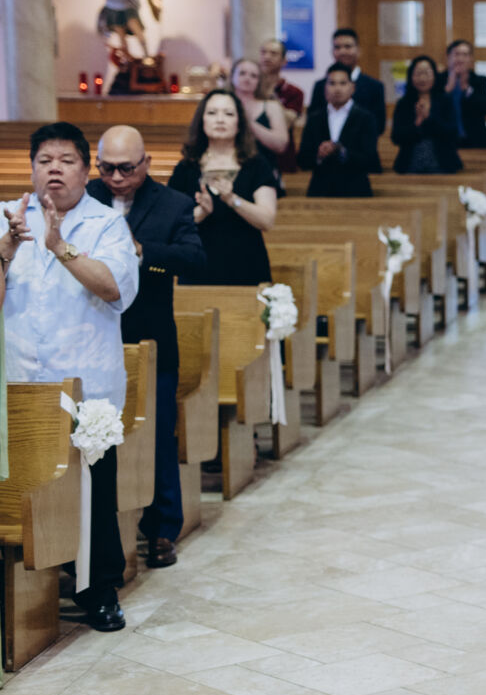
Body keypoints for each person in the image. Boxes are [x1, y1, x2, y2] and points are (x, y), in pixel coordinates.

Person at [5, 124, 140, 631]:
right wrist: (5, 253)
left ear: (86, 171)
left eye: (66, 160)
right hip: (19, 377)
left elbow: (114, 288)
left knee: (92, 495)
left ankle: (98, 590)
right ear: (32, 169)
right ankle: (23, 584)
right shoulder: (7, 217)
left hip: (86, 381)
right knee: (21, 488)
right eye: (45, 160)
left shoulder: (107, 224)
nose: (54, 169)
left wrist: (58, 245)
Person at [87, 126, 203, 569]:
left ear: (146, 163)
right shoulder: (85, 198)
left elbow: (194, 259)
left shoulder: (173, 204)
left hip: (148, 335)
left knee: (156, 434)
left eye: (126, 168)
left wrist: (142, 252)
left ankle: (161, 528)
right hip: (93, 335)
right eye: (107, 168)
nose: (116, 178)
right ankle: (96, 531)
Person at [170, 89, 281, 286]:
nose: (220, 120)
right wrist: (201, 213)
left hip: (246, 265)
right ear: (202, 120)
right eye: (212, 113)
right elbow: (171, 224)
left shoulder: (256, 165)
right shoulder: (186, 167)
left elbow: (267, 220)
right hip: (197, 266)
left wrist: (232, 200)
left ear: (239, 123)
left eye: (228, 114)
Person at [297, 63, 380, 198]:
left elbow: (370, 158)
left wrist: (341, 151)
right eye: (332, 83)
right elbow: (302, 159)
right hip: (320, 191)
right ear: (325, 88)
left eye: (343, 83)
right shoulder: (315, 118)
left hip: (356, 190)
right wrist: (319, 155)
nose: (337, 88)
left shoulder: (366, 118)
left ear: (352, 87)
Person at [391, 55, 462, 175]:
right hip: (409, 165)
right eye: (418, 74)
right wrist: (417, 123)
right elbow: (396, 137)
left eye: (427, 73)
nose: (422, 78)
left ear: (434, 75)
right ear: (411, 76)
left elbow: (453, 134)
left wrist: (429, 118)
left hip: (443, 164)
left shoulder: (445, 101)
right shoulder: (403, 103)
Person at [228, 57, 293, 173]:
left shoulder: (271, 106)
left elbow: (281, 145)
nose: (247, 78)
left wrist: (248, 123)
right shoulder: (222, 104)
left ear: (259, 81)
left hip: (265, 170)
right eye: (242, 73)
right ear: (232, 76)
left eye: (253, 76)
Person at [322, 27, 387, 126]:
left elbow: (379, 125)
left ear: (358, 50)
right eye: (337, 47)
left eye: (347, 47)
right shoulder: (321, 85)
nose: (342, 52)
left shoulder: (375, 87)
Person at [441, 39, 486, 150]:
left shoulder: (479, 81)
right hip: (445, 142)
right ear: (448, 57)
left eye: (465, 55)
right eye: (456, 54)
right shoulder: (438, 80)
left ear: (471, 59)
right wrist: (448, 89)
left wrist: (467, 89)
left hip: (476, 142)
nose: (460, 59)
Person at [257, 38, 305, 126]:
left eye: (273, 53)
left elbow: (288, 122)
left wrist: (271, 96)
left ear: (284, 61)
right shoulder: (251, 87)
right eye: (263, 52)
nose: (267, 57)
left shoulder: (295, 92)